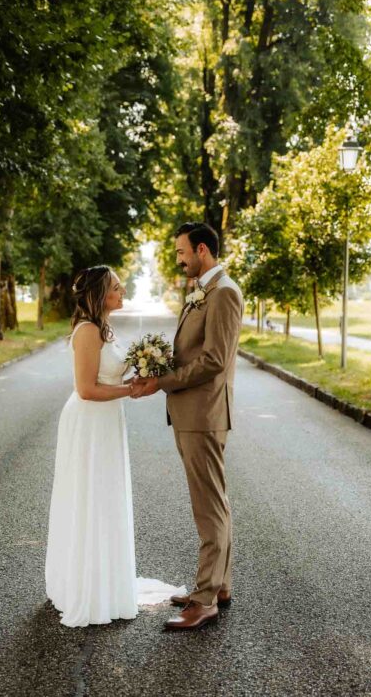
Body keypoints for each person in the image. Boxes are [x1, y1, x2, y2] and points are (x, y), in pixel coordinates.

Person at [45, 265, 185, 627]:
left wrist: (139, 375)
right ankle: (86, 585)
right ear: (98, 294)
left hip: (107, 421)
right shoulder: (88, 331)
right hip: (89, 421)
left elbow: (109, 374)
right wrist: (131, 390)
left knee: (106, 498)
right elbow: (87, 390)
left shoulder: (104, 328)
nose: (122, 293)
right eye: (116, 289)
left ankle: (105, 578)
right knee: (90, 497)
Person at [133, 222, 244, 631]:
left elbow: (214, 360)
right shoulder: (203, 290)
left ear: (201, 249)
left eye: (181, 252)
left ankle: (204, 601)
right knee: (215, 500)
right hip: (191, 413)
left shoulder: (225, 293)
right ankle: (219, 585)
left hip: (203, 415)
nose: (178, 259)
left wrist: (160, 381)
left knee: (208, 506)